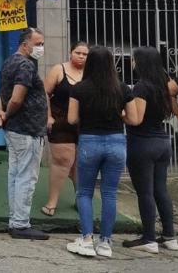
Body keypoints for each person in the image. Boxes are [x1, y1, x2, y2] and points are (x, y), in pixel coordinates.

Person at [65, 46, 135, 258]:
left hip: (89, 142)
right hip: (116, 142)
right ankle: (105, 243)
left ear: (89, 63)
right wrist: (119, 114)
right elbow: (133, 119)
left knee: (84, 192)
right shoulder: (122, 89)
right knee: (109, 193)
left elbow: (71, 119)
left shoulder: (79, 88)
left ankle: (87, 239)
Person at [122, 47, 178, 253]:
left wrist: (120, 113)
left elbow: (136, 119)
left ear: (141, 62)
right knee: (161, 190)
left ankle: (149, 238)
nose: (132, 63)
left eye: (134, 59)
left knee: (145, 192)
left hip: (143, 143)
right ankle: (170, 236)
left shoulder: (142, 87)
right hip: (162, 142)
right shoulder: (162, 84)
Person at [0, 27, 50, 240]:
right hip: (27, 130)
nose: (41, 48)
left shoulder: (10, 62)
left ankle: (15, 220)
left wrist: (1, 114)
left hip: (16, 129)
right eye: (38, 44)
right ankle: (20, 223)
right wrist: (6, 114)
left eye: (42, 44)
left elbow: (1, 93)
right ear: (25, 44)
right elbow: (16, 98)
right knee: (26, 177)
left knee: (16, 175)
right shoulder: (26, 65)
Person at [41, 41, 87, 217]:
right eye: (78, 53)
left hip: (84, 124)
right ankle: (52, 202)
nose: (81, 56)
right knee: (62, 160)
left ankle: (80, 199)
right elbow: (44, 93)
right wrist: (48, 116)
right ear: (71, 52)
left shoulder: (90, 73)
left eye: (85, 54)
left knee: (79, 164)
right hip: (60, 121)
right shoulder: (58, 69)